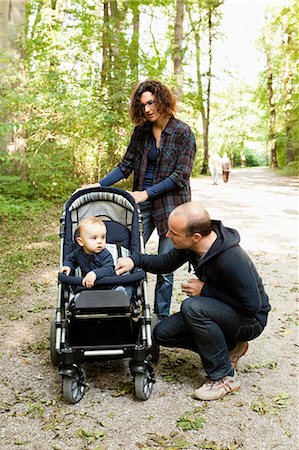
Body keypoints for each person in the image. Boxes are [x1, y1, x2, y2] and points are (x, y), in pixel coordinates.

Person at [115, 202, 271, 401]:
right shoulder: (192, 246)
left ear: (196, 237)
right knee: (163, 333)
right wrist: (134, 260)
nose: (168, 236)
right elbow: (166, 263)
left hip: (250, 320)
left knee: (193, 307)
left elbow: (252, 306)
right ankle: (230, 349)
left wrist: (205, 290)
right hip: (225, 310)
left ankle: (224, 376)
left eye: (173, 233)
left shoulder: (232, 258)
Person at [82, 79, 196, 321]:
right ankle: (131, 309)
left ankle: (160, 319)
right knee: (129, 257)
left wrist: (147, 192)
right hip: (140, 207)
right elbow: (125, 166)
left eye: (151, 103)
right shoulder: (141, 132)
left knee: (165, 267)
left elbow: (181, 176)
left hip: (172, 208)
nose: (147, 109)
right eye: (142, 105)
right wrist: (100, 184)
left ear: (163, 100)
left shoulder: (183, 132)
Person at [61, 216, 131, 296]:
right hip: (87, 287)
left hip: (107, 286)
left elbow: (109, 269)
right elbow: (70, 259)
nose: (100, 242)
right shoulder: (78, 253)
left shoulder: (105, 254)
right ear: (81, 241)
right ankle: (77, 301)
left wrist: (94, 274)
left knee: (121, 289)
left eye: (103, 237)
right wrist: (67, 266)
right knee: (79, 295)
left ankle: (119, 295)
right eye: (94, 238)